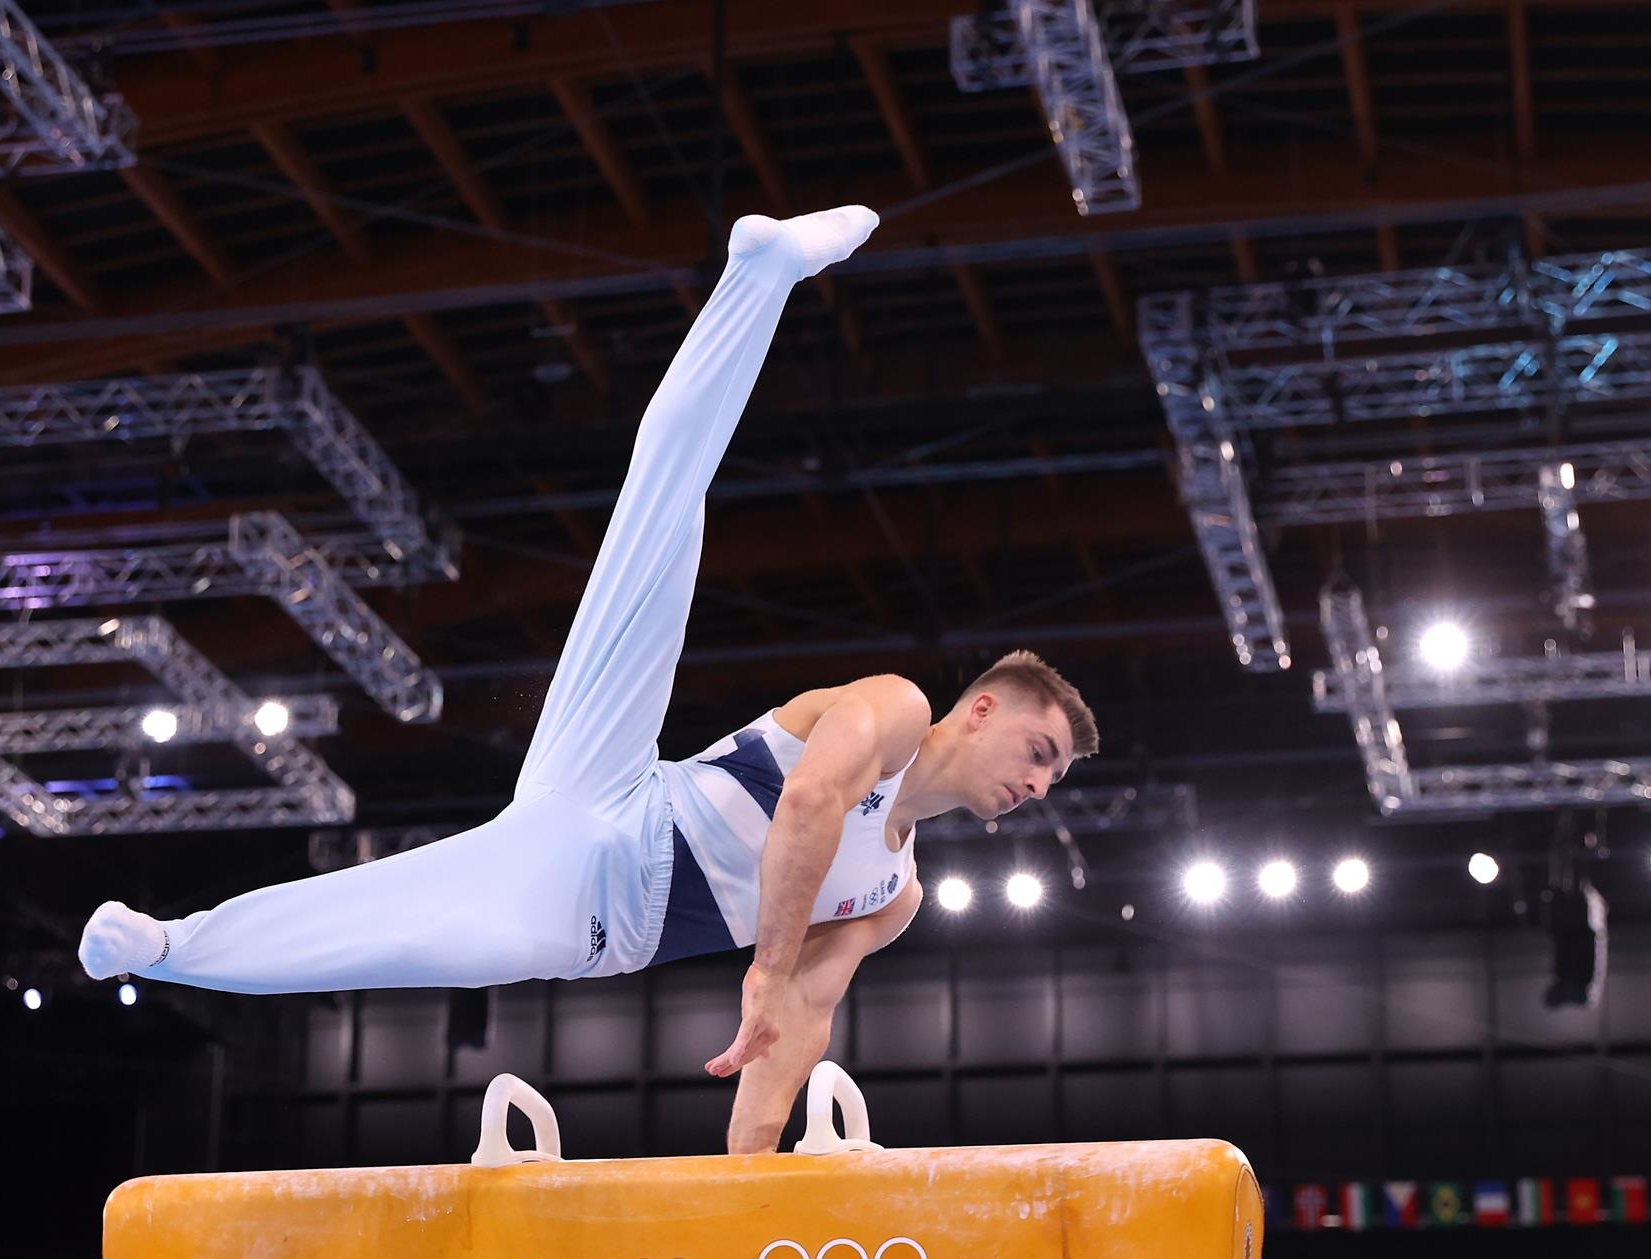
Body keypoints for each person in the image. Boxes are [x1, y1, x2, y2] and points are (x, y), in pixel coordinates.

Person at [77, 205, 1100, 1154]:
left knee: (370, 934)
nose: (1041, 783)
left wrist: (746, 1181)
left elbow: (791, 1024)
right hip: (613, 793)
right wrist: (767, 966)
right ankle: (764, 272)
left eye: (1054, 776)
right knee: (660, 512)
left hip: (580, 925)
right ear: (982, 708)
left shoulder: (895, 894)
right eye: (1041, 751)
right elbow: (808, 801)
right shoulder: (894, 708)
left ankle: (162, 948)